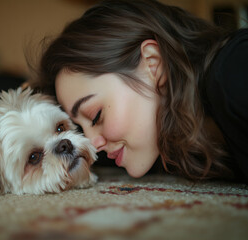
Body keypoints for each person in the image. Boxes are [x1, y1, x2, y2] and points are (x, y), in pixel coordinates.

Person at [30, 0, 248, 182]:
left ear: (153, 64)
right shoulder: (169, 140)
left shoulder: (233, 69)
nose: (93, 144)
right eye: (80, 127)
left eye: (96, 116)